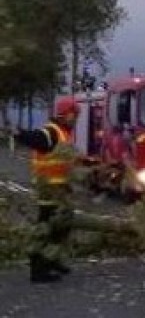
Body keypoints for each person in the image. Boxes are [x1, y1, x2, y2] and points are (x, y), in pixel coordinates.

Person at [14, 97, 79, 283]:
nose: (75, 119)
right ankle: (38, 269)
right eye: (74, 115)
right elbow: (36, 139)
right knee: (47, 230)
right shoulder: (51, 131)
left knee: (62, 228)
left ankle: (52, 260)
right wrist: (19, 134)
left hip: (60, 190)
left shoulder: (64, 133)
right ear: (65, 114)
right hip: (49, 190)